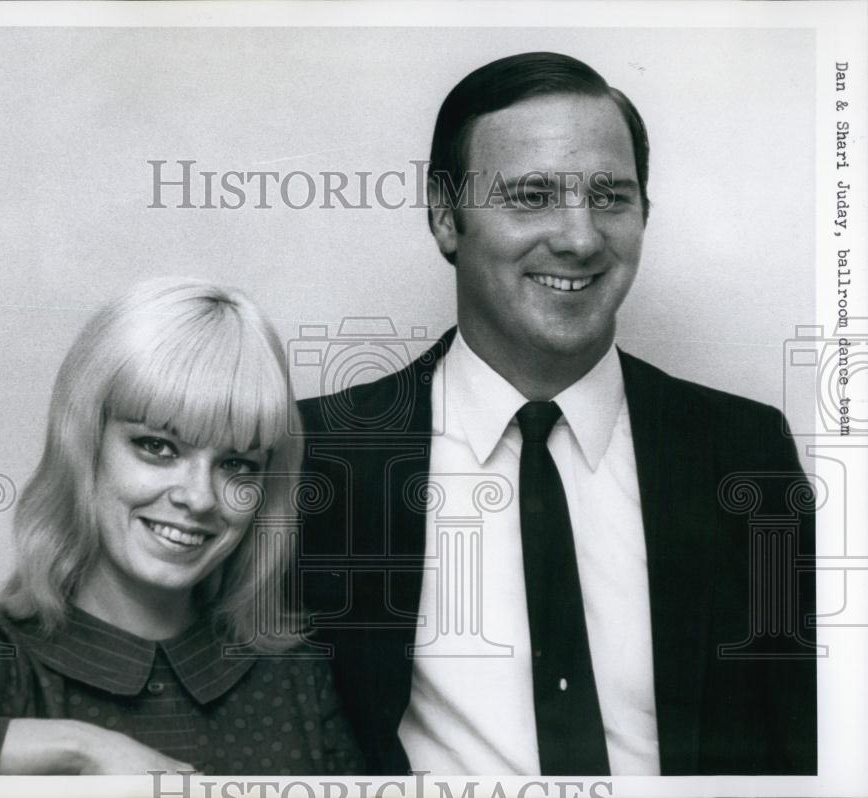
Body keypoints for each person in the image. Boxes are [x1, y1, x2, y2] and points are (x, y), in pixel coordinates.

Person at [298, 52, 816, 776]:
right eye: (533, 195)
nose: (580, 237)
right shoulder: (321, 454)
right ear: (446, 216)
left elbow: (811, 733)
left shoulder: (742, 451)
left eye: (611, 196)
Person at [0, 278, 364, 775]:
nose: (200, 497)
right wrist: (79, 750)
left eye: (236, 465)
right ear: (85, 443)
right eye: (158, 447)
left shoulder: (294, 677)